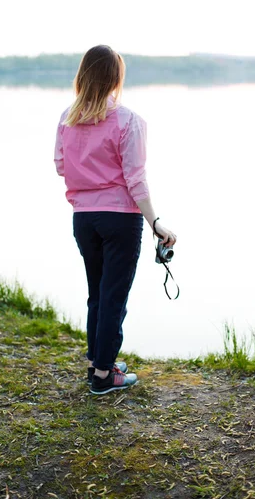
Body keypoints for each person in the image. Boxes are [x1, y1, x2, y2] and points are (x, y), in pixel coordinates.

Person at [54, 45, 177, 395]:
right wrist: (156, 223)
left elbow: (61, 165)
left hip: (84, 218)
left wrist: (88, 180)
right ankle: (105, 375)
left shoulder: (67, 117)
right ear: (114, 79)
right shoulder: (128, 121)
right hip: (120, 219)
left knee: (98, 293)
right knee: (113, 296)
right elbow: (135, 179)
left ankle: (98, 360)